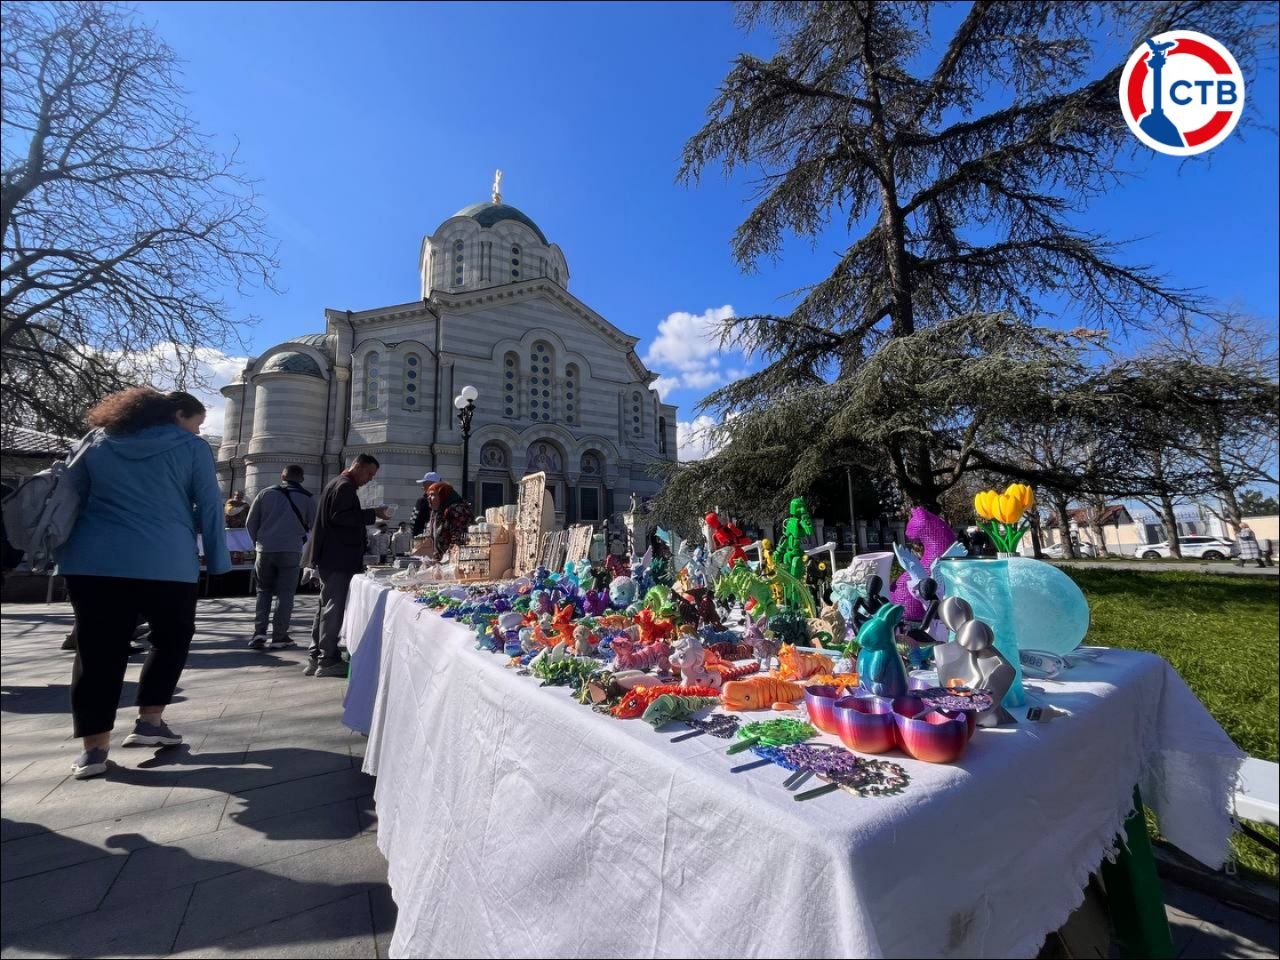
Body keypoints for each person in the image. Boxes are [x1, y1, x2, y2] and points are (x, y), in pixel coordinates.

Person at [55, 387, 229, 779]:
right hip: (167, 561)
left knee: (96, 652)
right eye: (196, 423)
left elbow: (71, 495)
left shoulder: (95, 440)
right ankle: (150, 720)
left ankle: (94, 751)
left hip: (93, 560)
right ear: (176, 416)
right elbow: (209, 505)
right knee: (170, 640)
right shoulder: (191, 448)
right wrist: (218, 560)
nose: (198, 431)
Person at [304, 454, 388, 677]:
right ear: (357, 466)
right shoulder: (344, 486)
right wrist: (373, 514)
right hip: (338, 557)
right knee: (333, 607)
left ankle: (316, 655)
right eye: (369, 473)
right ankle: (327, 659)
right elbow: (341, 517)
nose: (370, 479)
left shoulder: (337, 484)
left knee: (325, 606)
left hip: (330, 557)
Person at [245, 465, 317, 650]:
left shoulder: (264, 493)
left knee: (263, 591)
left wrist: (258, 542)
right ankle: (279, 636)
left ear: (283, 476)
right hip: (291, 550)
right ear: (302, 479)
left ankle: (259, 633)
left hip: (265, 549)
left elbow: (250, 522)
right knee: (286, 595)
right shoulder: (308, 498)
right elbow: (315, 527)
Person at [425, 481, 473, 561]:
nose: (429, 498)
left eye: (433, 494)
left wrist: (447, 560)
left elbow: (458, 538)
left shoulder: (457, 509)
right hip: (441, 560)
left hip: (454, 560)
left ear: (442, 495)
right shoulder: (437, 511)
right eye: (428, 495)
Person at [409, 471, 441, 536]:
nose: (423, 485)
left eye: (424, 484)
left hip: (423, 537)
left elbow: (414, 522)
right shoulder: (444, 501)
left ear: (431, 485)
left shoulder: (422, 501)